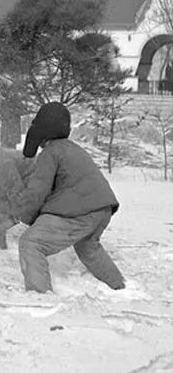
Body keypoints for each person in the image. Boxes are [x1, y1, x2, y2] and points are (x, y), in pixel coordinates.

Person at [12, 102, 125, 293]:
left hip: (79, 211)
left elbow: (36, 191)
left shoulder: (50, 153)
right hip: (102, 209)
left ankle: (39, 296)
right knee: (88, 247)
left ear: (41, 131)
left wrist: (23, 215)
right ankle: (118, 286)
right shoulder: (72, 148)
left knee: (31, 242)